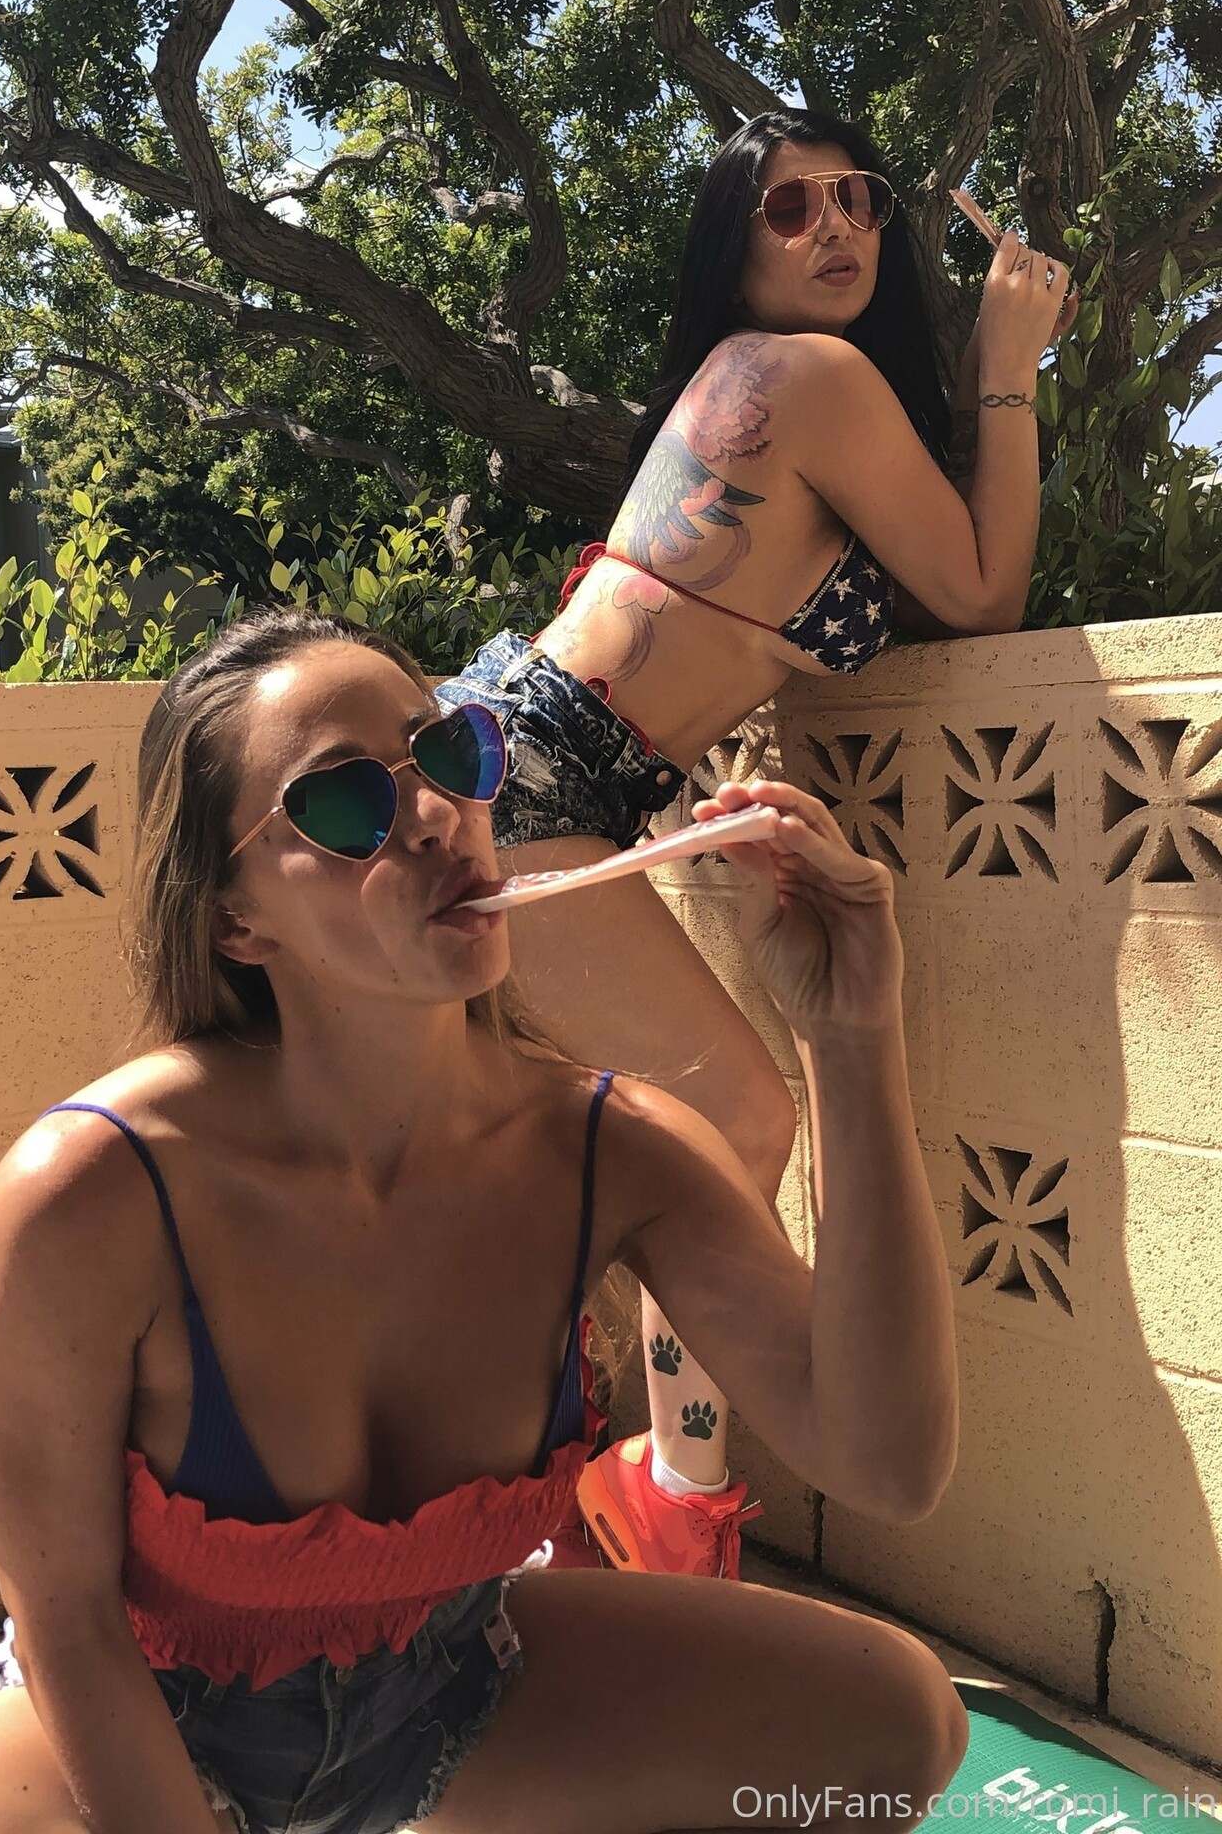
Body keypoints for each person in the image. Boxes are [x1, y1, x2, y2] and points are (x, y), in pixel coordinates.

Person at [0, 608, 964, 1834]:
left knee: (893, 1727)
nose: (437, 815)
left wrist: (851, 1035)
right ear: (235, 921)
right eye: (346, 805)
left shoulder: (613, 1150)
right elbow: (66, 1619)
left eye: (451, 752)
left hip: (455, 1687)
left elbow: (887, 1463)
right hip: (145, 1719)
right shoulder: (96, 1193)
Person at [435, 105, 1070, 1575]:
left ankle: (609, 1489)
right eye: (790, 209)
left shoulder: (766, 385)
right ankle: (666, 1503)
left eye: (857, 198)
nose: (835, 224)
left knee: (611, 1147)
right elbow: (986, 595)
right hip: (537, 779)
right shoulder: (812, 377)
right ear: (736, 252)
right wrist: (1008, 366)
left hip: (528, 765)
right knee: (737, 1118)